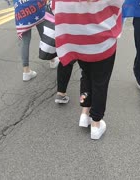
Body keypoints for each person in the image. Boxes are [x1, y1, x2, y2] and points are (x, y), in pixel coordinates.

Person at [53, 0, 123, 139]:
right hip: (102, 45)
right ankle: (96, 123)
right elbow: (119, 5)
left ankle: (85, 113)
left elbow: (56, 11)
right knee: (100, 83)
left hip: (79, 44)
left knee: (86, 76)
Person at [13, 0, 59, 81]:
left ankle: (26, 71)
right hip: (35, 5)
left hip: (21, 9)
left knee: (25, 40)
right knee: (44, 31)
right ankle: (52, 59)